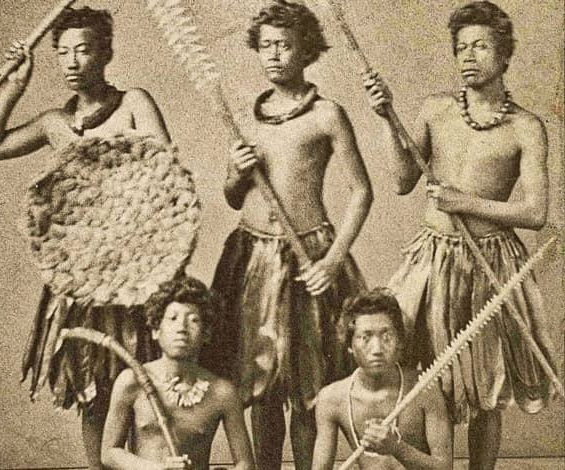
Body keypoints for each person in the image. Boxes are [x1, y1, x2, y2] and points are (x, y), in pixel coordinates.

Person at [363, 2, 556, 469]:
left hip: (491, 265)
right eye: (461, 48)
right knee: (426, 375)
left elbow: (535, 212)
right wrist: (389, 118)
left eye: (481, 46)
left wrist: (465, 202)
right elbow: (402, 181)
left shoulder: (526, 127)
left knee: (486, 387)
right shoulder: (436, 110)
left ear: (505, 56)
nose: (468, 56)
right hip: (431, 260)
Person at [0, 7, 171, 469]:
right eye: (63, 52)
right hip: (80, 273)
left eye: (84, 50)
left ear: (105, 53)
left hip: (136, 267)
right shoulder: (56, 122)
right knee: (92, 380)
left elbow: (165, 169)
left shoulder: (134, 103)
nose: (72, 61)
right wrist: (14, 87)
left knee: (141, 377)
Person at [203, 1, 373, 468]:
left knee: (306, 385)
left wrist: (333, 260)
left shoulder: (327, 115)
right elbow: (232, 198)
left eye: (285, 45)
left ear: (306, 50)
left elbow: (362, 192)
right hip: (250, 257)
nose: (274, 55)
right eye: (266, 46)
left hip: (309, 258)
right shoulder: (245, 114)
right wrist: (236, 174)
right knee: (259, 383)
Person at [102, 276, 255, 470]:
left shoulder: (223, 393)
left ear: (206, 333)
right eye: (172, 318)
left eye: (193, 320)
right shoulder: (132, 381)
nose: (182, 328)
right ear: (156, 330)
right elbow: (109, 452)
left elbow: (245, 464)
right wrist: (155, 469)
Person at [312, 288, 452, 470]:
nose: (377, 348)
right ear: (350, 345)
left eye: (387, 336)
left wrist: (396, 448)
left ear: (400, 341)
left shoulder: (425, 387)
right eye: (365, 337)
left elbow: (445, 468)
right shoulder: (331, 398)